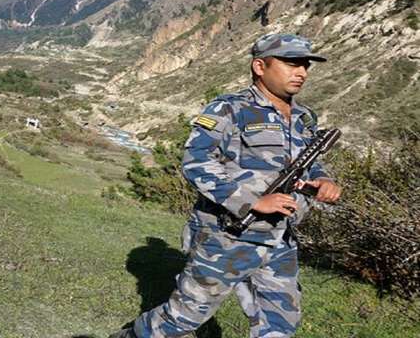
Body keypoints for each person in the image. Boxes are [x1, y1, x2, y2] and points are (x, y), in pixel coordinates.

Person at [111, 33, 342, 338]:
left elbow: (307, 163)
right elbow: (196, 161)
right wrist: (251, 201)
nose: (301, 72)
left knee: (280, 323)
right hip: (227, 235)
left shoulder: (304, 117)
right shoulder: (229, 109)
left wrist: (323, 180)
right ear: (260, 66)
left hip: (280, 238)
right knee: (184, 318)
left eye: (305, 65)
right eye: (291, 63)